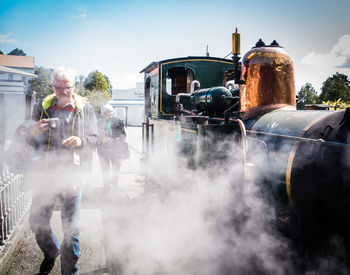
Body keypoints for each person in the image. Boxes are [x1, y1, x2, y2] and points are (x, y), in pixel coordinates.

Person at [28, 67, 99, 275]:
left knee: (71, 231)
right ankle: (52, 251)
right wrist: (33, 131)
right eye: (59, 88)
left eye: (68, 87)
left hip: (73, 177)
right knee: (37, 222)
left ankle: (70, 273)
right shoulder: (42, 106)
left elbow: (96, 139)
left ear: (74, 86)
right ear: (53, 87)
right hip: (46, 175)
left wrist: (81, 140)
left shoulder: (86, 108)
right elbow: (27, 138)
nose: (64, 92)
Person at [97, 104, 127, 188]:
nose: (110, 114)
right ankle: (106, 185)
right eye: (108, 112)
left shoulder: (118, 122)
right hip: (103, 150)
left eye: (111, 112)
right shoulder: (99, 122)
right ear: (104, 113)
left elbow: (124, 135)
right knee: (105, 169)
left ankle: (114, 184)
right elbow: (95, 135)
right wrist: (101, 139)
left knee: (116, 169)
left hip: (116, 149)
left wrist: (119, 138)